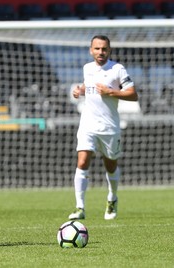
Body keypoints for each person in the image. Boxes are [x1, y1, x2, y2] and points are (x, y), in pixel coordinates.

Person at [68, 35, 138, 221]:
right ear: (91, 50)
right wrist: (80, 90)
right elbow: (88, 85)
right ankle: (79, 207)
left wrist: (111, 92)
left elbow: (133, 94)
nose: (101, 52)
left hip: (109, 127)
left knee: (111, 165)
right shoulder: (87, 68)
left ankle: (112, 197)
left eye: (104, 49)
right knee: (82, 162)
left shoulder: (117, 69)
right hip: (87, 124)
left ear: (109, 50)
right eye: (97, 48)